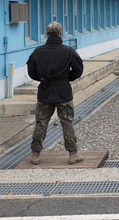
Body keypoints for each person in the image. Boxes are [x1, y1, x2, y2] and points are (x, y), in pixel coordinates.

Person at [27, 21, 84, 165]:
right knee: (67, 122)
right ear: (60, 33)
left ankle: (35, 154)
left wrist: (43, 79)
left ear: (47, 34)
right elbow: (78, 70)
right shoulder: (69, 51)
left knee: (41, 123)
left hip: (45, 92)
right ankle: (73, 154)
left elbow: (31, 72)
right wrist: (65, 79)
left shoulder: (37, 51)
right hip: (63, 92)